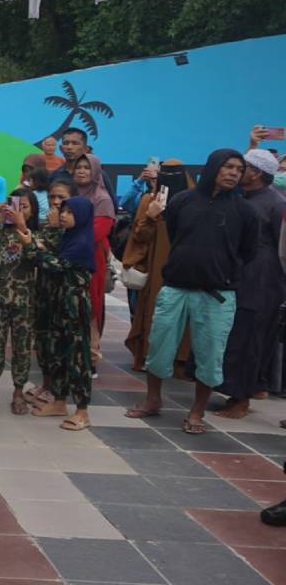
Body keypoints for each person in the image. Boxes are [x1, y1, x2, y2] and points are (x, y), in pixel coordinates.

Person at [126, 150, 258, 435]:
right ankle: (152, 398)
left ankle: (197, 411)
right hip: (175, 289)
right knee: (159, 348)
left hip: (217, 295)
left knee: (210, 357)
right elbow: (175, 235)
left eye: (239, 168)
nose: (234, 173)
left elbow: (247, 252)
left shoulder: (245, 211)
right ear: (212, 168)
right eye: (228, 167)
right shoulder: (183, 202)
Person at [214, 149, 285, 418]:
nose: (235, 172)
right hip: (241, 276)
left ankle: (241, 400)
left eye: (242, 167)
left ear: (255, 173)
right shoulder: (241, 198)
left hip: (262, 280)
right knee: (236, 337)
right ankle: (237, 391)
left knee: (250, 340)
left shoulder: (276, 204)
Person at [24, 197, 96, 431]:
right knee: (58, 353)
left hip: (74, 306)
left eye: (70, 212)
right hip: (58, 303)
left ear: (82, 216)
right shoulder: (68, 238)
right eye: (62, 210)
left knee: (77, 356)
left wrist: (32, 247)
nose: (63, 215)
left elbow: (55, 265)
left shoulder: (83, 243)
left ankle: (82, 410)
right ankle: (59, 401)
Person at [122, 161, 193, 372]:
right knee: (151, 311)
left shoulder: (194, 202)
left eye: (176, 174)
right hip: (156, 267)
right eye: (167, 174)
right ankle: (146, 355)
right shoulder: (149, 200)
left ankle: (180, 361)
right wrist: (151, 217)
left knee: (185, 315)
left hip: (187, 266)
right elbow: (139, 236)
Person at [0, 189, 41, 413]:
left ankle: (18, 391)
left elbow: (36, 258)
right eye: (15, 206)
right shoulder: (0, 233)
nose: (18, 211)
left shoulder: (34, 233)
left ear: (32, 211)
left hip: (24, 300)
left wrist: (23, 227)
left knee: (22, 347)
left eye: (24, 207)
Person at [68, 153, 115, 363]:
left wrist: (67, 230)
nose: (82, 171)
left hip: (91, 259)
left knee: (90, 305)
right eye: (79, 167)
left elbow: (97, 232)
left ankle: (90, 356)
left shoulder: (102, 199)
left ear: (96, 172)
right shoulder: (67, 193)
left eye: (87, 168)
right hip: (66, 256)